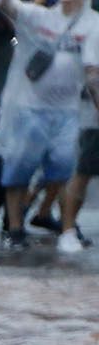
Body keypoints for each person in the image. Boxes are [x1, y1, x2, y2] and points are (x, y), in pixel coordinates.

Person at [0, 0, 99, 251]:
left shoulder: (93, 23)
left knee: (63, 172)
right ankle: (15, 230)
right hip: (29, 109)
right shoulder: (40, 17)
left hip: (67, 112)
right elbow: (6, 5)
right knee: (19, 170)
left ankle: (67, 229)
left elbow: (93, 72)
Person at [62, 76, 98, 248]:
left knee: (83, 176)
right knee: (82, 175)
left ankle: (69, 228)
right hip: (93, 124)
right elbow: (92, 78)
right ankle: (67, 231)